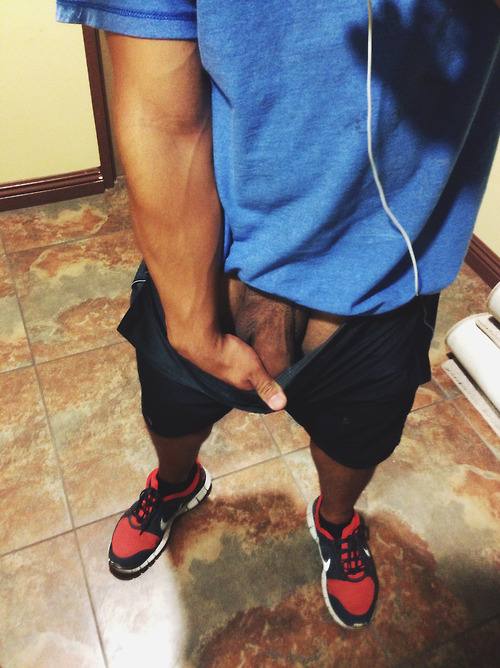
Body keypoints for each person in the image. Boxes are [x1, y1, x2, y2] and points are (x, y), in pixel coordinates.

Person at [56, 0, 500, 629]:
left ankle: (336, 522)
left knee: (357, 442)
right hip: (209, 272)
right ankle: (176, 483)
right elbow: (160, 115)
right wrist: (191, 328)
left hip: (385, 284)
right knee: (170, 412)